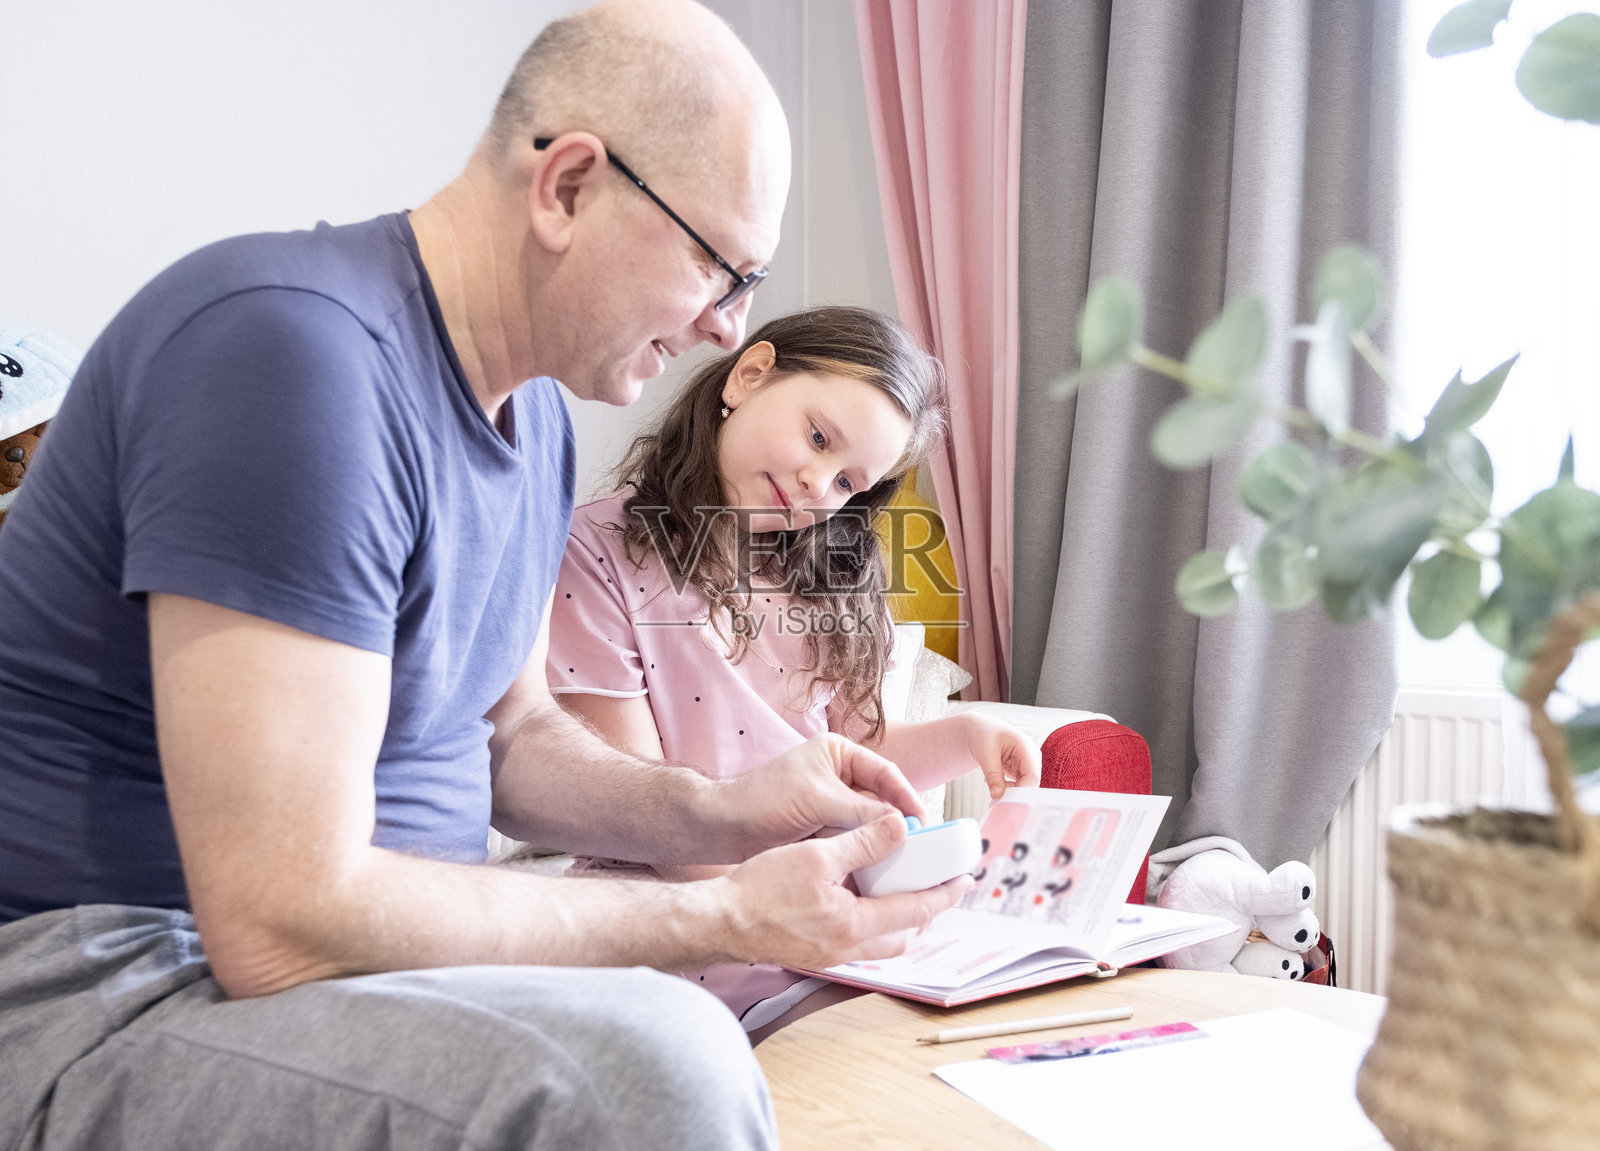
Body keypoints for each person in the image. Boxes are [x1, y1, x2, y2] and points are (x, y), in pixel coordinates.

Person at [0, 4, 972, 1149]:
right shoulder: (290, 357)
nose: (726, 328)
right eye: (722, 269)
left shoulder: (537, 425)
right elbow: (276, 921)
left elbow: (510, 737)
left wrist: (724, 814)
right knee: (660, 1066)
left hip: (358, 972)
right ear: (566, 186)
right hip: (112, 980)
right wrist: (713, 910)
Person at [544, 305, 1041, 1032]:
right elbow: (644, 813)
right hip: (670, 950)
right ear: (749, 375)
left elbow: (856, 758)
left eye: (847, 482)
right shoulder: (597, 554)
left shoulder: (832, 583)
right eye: (817, 437)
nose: (819, 485)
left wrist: (966, 734)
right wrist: (797, 909)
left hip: (819, 943)